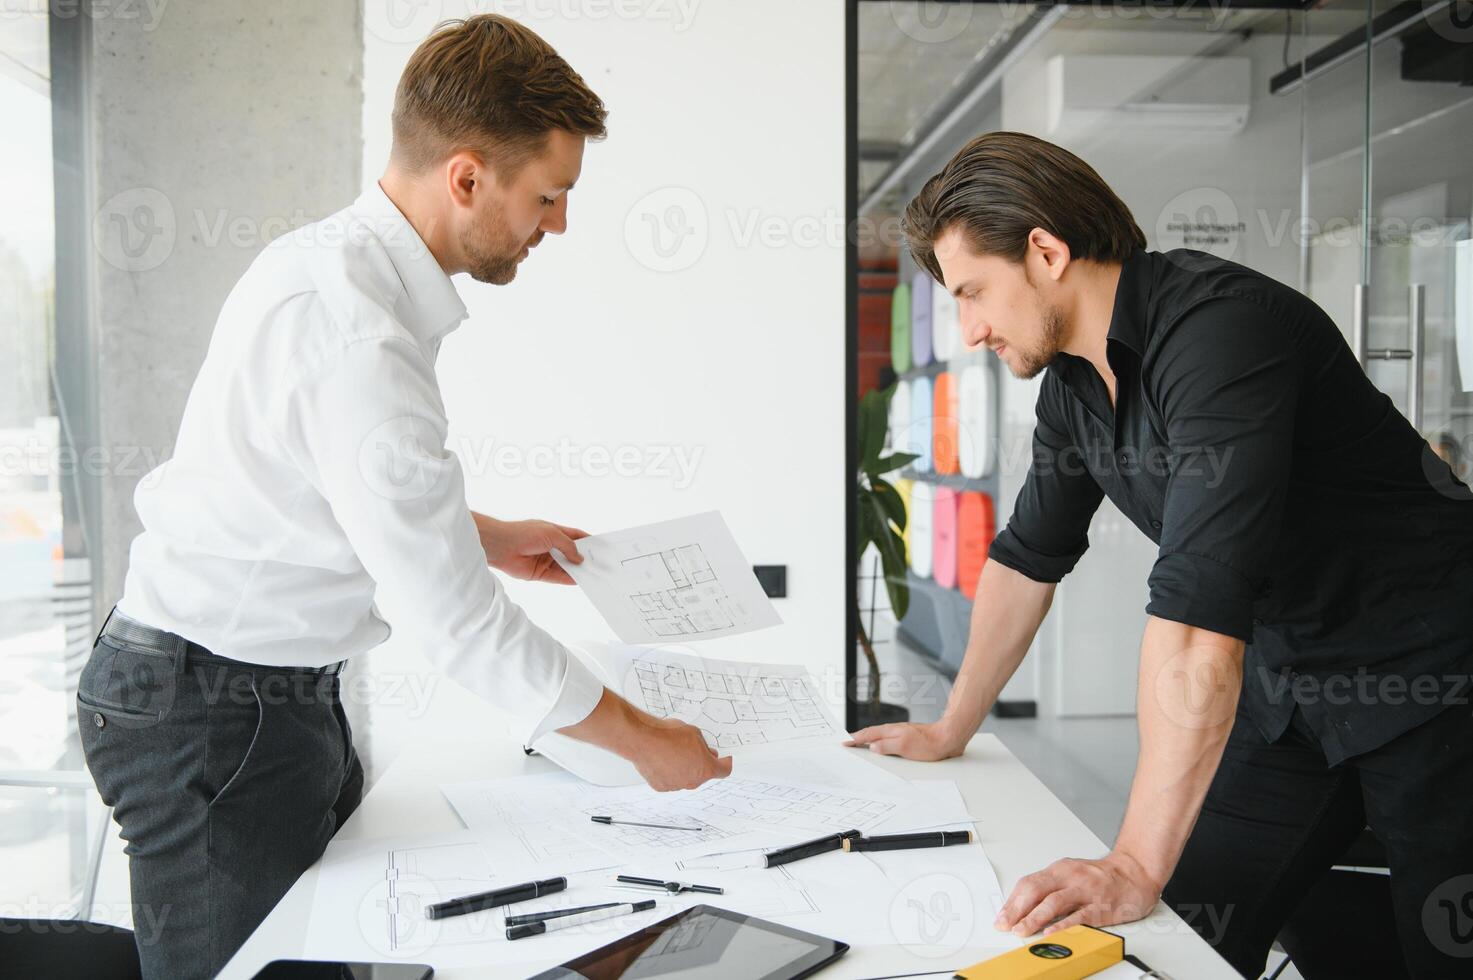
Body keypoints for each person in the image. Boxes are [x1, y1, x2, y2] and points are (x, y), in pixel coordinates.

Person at [76, 16, 728, 979]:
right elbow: (460, 626)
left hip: (259, 693)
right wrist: (647, 742)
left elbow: (311, 490)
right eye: (547, 196)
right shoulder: (355, 337)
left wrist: (490, 535)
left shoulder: (331, 271)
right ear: (465, 178)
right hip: (211, 710)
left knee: (324, 958)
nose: (558, 224)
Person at [846, 131, 1473, 979]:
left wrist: (1132, 863)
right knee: (1186, 936)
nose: (969, 330)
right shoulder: (1074, 384)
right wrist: (950, 726)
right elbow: (1028, 557)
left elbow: (1196, 612)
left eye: (974, 293)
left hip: (1438, 685)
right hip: (1291, 692)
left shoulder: (1223, 332)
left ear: (1045, 250)